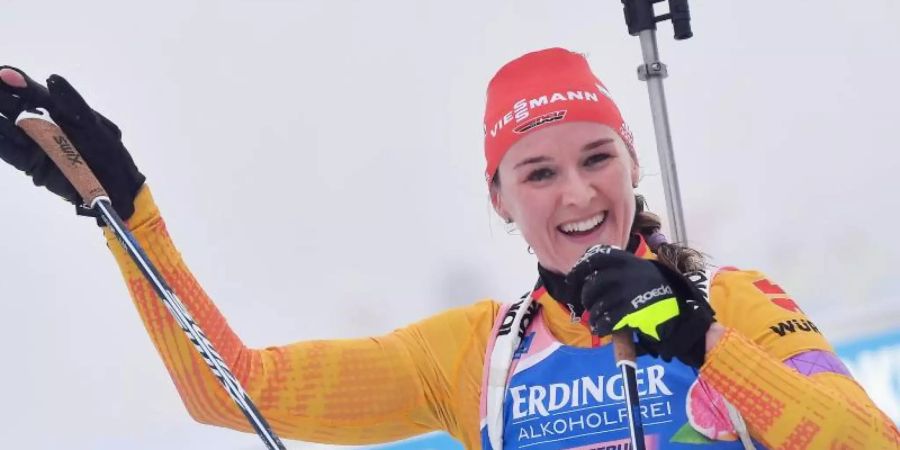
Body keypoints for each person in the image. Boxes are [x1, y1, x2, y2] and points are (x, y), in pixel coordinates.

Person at [0, 48, 896, 450]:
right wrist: (132, 219)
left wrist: (699, 344)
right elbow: (234, 392)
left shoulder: (734, 305)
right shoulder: (473, 358)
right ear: (499, 198)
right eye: (537, 172)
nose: (578, 194)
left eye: (597, 159)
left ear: (633, 164)